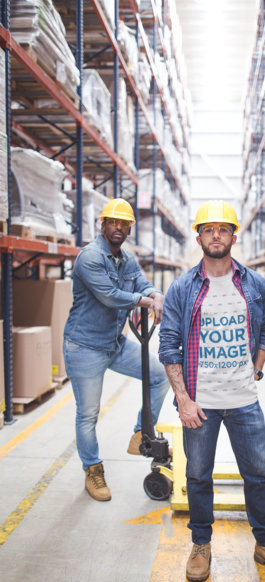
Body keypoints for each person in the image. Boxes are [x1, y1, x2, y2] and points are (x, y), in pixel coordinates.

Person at [158, 200, 265, 582]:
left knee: (258, 474)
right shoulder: (182, 288)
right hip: (199, 405)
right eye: (208, 229)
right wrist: (183, 400)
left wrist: (256, 369)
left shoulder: (252, 283)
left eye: (223, 228)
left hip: (244, 402)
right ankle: (200, 545)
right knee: (199, 476)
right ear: (198, 235)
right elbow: (169, 345)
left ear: (234, 235)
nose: (216, 235)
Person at [63, 198, 169, 501]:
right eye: (114, 222)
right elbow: (109, 296)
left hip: (114, 343)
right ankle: (93, 471)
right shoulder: (90, 257)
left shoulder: (126, 258)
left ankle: (140, 435)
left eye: (125, 224)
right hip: (84, 346)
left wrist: (155, 294)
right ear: (103, 224)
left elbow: (142, 281)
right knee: (88, 414)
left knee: (160, 374)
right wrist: (144, 301)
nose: (119, 228)